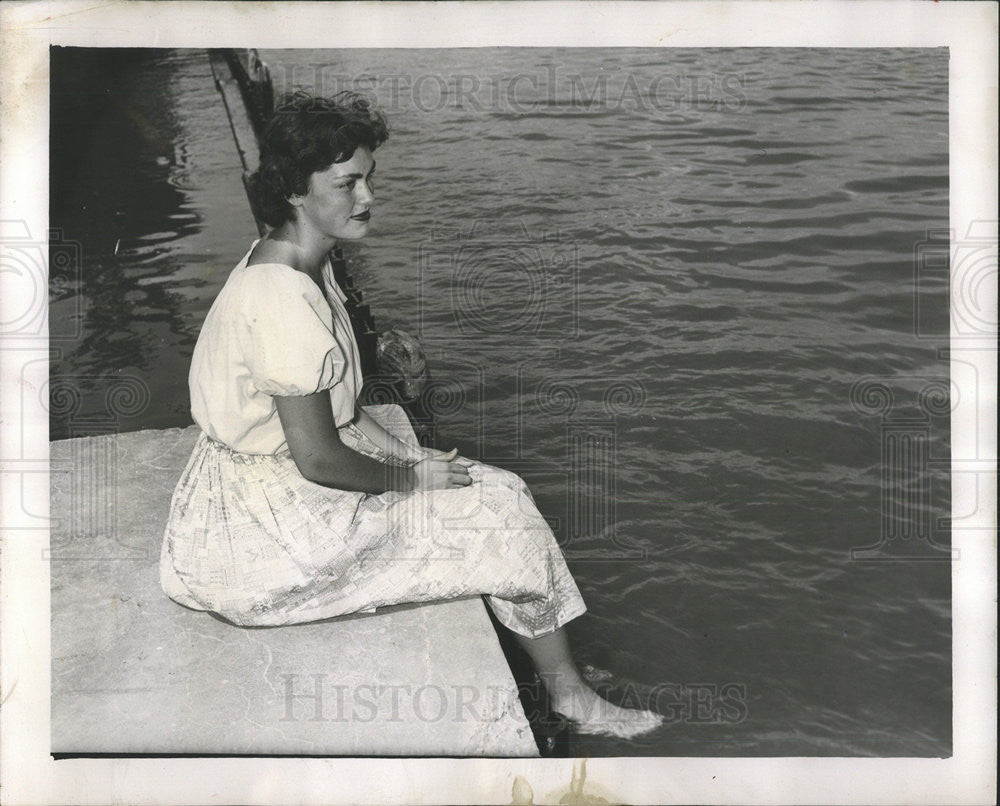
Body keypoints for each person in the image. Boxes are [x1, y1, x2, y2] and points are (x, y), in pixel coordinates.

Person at [159, 90, 662, 740]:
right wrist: (410, 481)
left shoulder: (298, 259)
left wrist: (414, 456)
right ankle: (571, 699)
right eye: (347, 183)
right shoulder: (282, 296)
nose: (366, 197)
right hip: (258, 538)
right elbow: (318, 456)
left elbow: (339, 410)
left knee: (494, 489)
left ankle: (554, 665)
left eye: (369, 178)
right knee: (501, 513)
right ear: (293, 190)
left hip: (247, 497)